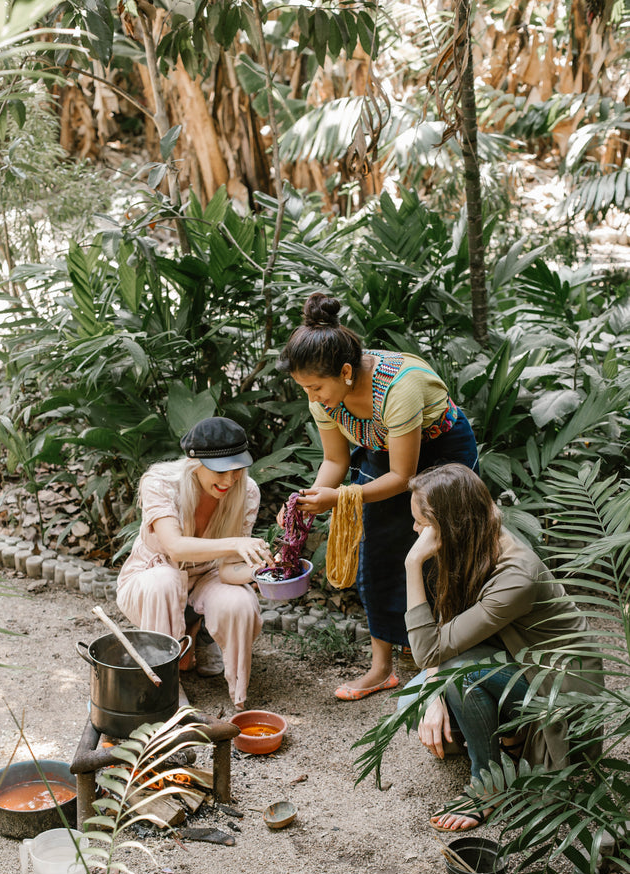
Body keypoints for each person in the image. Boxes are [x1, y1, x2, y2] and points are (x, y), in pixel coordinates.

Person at [277, 292, 478, 701]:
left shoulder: (398, 388)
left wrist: (338, 498)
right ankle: (382, 667)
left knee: (442, 552)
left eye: (316, 388)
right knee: (379, 554)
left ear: (346, 370)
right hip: (385, 450)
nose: (312, 397)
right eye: (305, 389)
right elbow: (334, 461)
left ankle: (444, 664)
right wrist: (310, 500)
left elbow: (405, 477)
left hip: (442, 452)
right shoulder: (324, 392)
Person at [402, 463, 604, 832]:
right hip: (516, 663)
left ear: (449, 524)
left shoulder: (516, 575)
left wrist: (412, 563)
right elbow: (444, 637)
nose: (415, 531)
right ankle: (508, 739)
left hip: (557, 691)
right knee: (411, 706)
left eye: (421, 523)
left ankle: (488, 786)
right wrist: (432, 699)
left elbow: (431, 653)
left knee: (455, 673)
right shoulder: (476, 539)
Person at [116, 417, 273, 710]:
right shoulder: (161, 482)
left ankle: (236, 691)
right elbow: (174, 548)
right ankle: (163, 691)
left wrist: (265, 571)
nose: (229, 480)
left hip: (208, 576)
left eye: (237, 469)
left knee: (239, 602)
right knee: (165, 581)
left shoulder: (247, 491)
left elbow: (227, 570)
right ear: (195, 463)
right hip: (154, 574)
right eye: (220, 471)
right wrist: (236, 543)